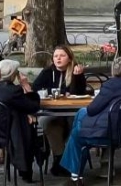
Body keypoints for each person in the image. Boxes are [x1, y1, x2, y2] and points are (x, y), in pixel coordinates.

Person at [61, 57, 121, 186]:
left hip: (109, 134)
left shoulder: (111, 85)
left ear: (114, 69)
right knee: (80, 120)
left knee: (77, 130)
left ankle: (75, 176)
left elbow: (92, 110)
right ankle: (78, 172)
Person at [0, 59, 42, 183]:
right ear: (13, 75)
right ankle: (26, 169)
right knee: (25, 124)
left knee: (18, 115)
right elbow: (33, 106)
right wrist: (25, 85)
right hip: (9, 136)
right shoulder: (13, 91)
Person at [32, 45, 89, 175]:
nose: (58, 59)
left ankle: (69, 159)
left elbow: (79, 93)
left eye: (62, 56)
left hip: (71, 110)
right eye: (56, 56)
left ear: (69, 58)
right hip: (52, 110)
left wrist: (78, 77)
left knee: (75, 123)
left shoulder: (75, 71)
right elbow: (36, 88)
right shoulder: (47, 72)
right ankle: (60, 157)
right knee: (47, 122)